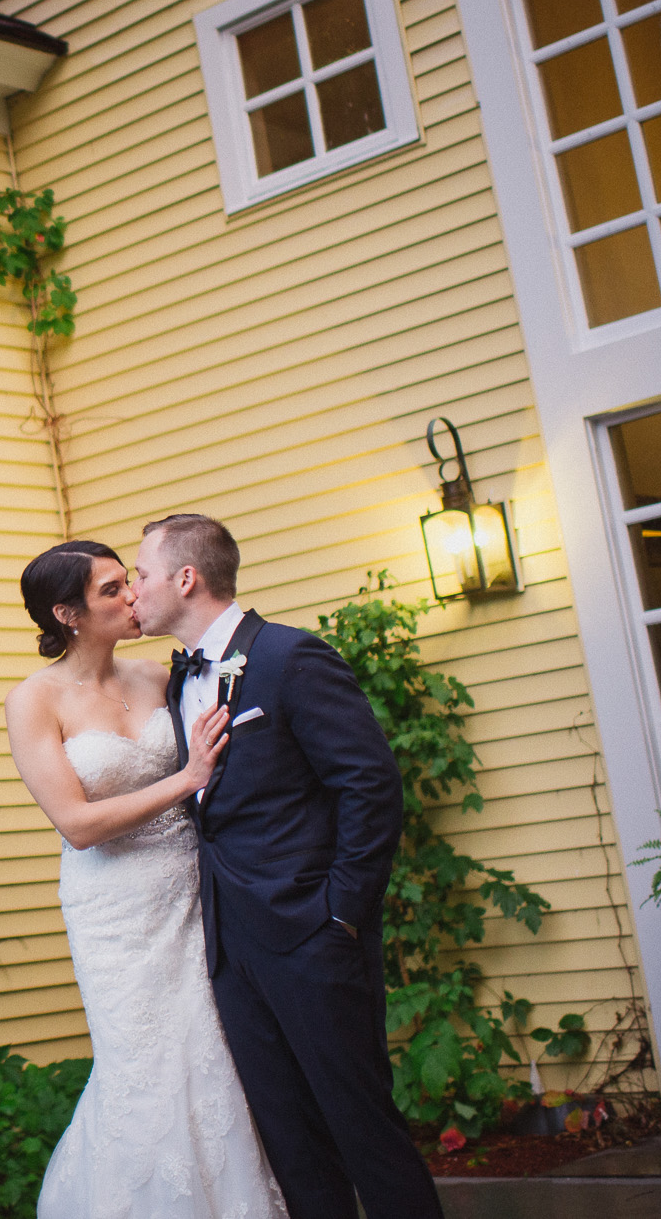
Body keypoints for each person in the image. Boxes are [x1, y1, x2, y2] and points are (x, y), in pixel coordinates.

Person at [129, 514, 442, 1219]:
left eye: (141, 573)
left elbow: (370, 783)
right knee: (290, 1140)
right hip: (230, 948)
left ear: (187, 577)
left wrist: (340, 911)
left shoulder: (289, 658)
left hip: (312, 934)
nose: (133, 590)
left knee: (362, 1127)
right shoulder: (178, 679)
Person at [4, 540, 287, 1219]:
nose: (132, 595)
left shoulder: (161, 676)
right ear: (68, 613)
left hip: (193, 891)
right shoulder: (33, 701)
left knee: (218, 1054)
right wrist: (185, 782)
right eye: (110, 590)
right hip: (114, 909)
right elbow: (76, 822)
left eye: (128, 581)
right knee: (144, 1065)